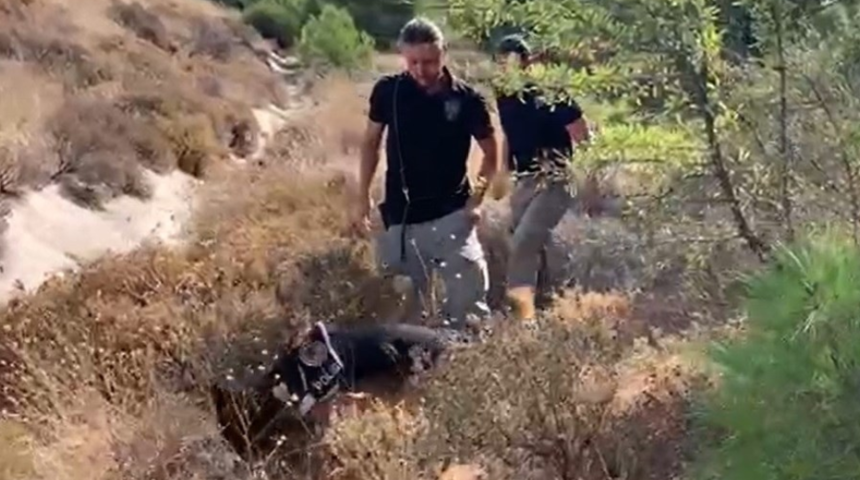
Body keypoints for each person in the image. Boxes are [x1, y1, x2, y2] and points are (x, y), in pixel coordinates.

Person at [350, 17, 500, 328]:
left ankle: (464, 354)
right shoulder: (388, 92)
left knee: (468, 309)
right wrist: (362, 197)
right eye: (413, 62)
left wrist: (476, 202)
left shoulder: (468, 100)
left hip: (452, 217)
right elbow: (370, 144)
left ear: (443, 53)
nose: (421, 70)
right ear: (402, 56)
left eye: (429, 61)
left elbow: (491, 154)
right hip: (400, 218)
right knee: (398, 310)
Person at [493, 34, 593, 322]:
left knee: (524, 242)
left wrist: (588, 177)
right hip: (524, 178)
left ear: (526, 62)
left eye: (514, 61)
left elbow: (582, 133)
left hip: (555, 178)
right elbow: (509, 133)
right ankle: (549, 305)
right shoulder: (504, 93)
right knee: (533, 246)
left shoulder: (551, 92)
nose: (507, 68)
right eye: (502, 62)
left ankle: (522, 317)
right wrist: (503, 171)